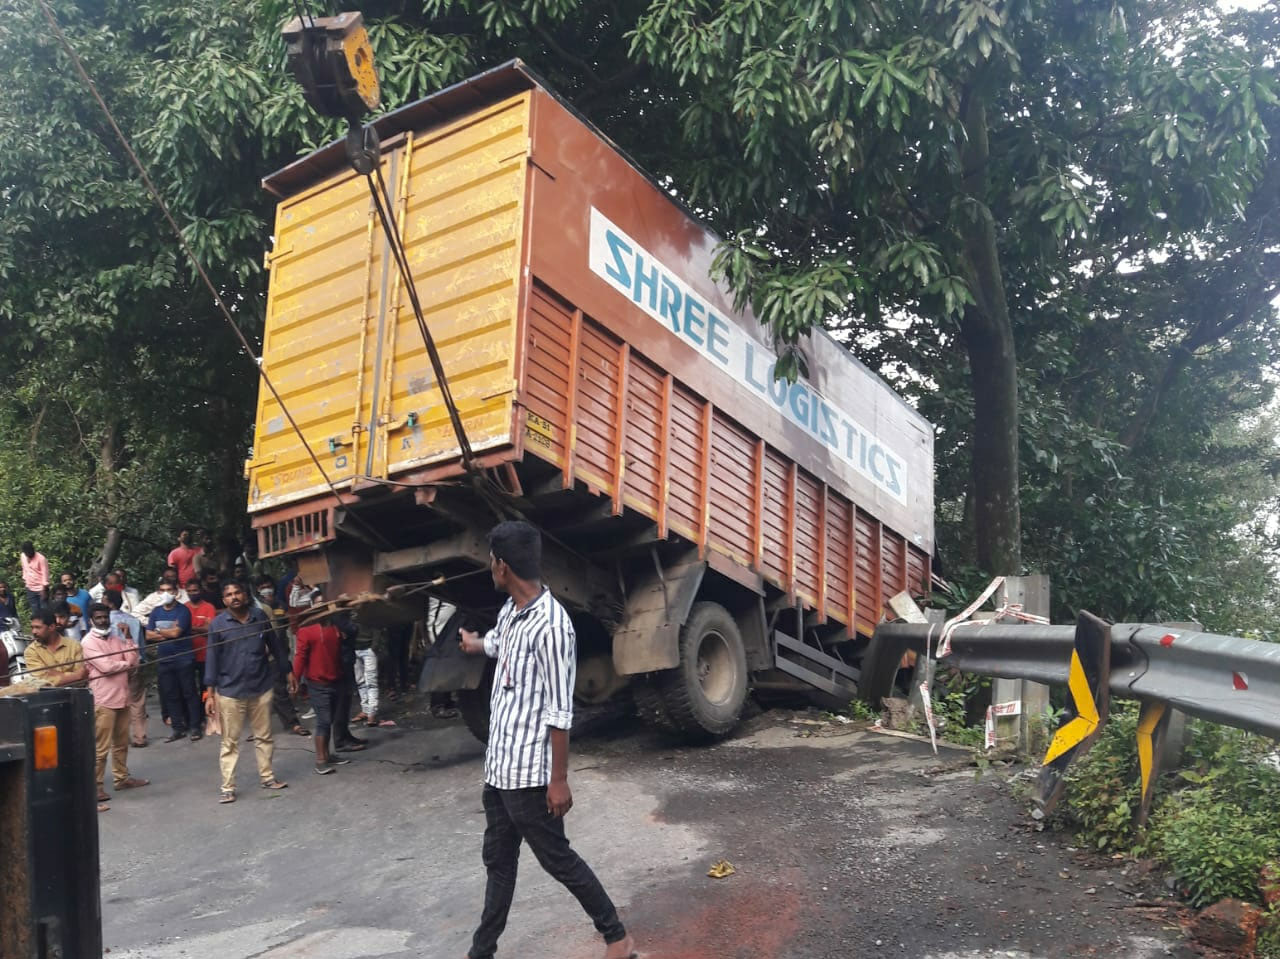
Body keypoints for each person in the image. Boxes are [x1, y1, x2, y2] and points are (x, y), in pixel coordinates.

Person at [458, 521, 635, 959]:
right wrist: (476, 645)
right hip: (500, 770)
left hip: (530, 776)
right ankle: (482, 952)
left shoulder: (553, 627)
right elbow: (501, 643)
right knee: (498, 862)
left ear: (502, 566)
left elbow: (560, 710)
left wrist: (559, 779)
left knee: (558, 859)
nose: (490, 569)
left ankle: (617, 937)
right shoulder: (513, 613)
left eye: (491, 562)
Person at [204, 581, 295, 803]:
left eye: (238, 592)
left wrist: (288, 672)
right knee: (230, 741)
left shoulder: (259, 617)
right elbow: (212, 659)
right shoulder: (218, 624)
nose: (234, 597)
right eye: (229, 594)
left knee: (264, 736)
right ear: (224, 600)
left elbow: (276, 646)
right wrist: (209, 693)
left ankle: (267, 777)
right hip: (229, 690)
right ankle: (228, 787)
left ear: (245, 595)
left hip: (261, 686)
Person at [82, 603, 148, 810]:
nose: (103, 620)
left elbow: (133, 660)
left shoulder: (116, 638)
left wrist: (128, 638)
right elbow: (106, 667)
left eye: (105, 617)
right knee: (101, 748)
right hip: (104, 700)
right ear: (91, 620)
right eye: (98, 617)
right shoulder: (88, 642)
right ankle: (96, 786)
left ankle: (122, 779)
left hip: (122, 697)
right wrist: (124, 664)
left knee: (121, 743)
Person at [292, 598, 350, 775]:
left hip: (336, 678)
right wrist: (294, 679)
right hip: (318, 682)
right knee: (323, 721)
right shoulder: (306, 631)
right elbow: (300, 656)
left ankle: (327, 754)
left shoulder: (336, 627)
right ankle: (320, 759)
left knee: (330, 718)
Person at [253, 576, 308, 738]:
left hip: (274, 652)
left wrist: (271, 649)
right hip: (254, 657)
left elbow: (278, 630)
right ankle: (259, 728)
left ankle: (293, 724)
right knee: (256, 695)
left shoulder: (275, 606)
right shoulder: (252, 609)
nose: (266, 589)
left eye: (268, 586)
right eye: (263, 587)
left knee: (279, 690)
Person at [146, 581, 201, 742]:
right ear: (158, 592)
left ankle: (195, 727)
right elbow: (148, 636)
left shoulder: (183, 610)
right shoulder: (156, 612)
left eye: (169, 590)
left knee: (189, 693)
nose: (166, 593)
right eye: (162, 590)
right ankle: (178, 728)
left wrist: (158, 631)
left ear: (176, 592)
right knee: (171, 694)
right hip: (165, 659)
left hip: (184, 658)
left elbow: (177, 633)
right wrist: (167, 633)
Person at [103, 588, 149, 748]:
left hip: (116, 666)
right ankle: (140, 736)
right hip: (135, 662)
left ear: (108, 602)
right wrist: (142, 660)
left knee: (117, 700)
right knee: (137, 700)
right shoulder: (133, 620)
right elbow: (141, 644)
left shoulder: (104, 622)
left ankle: (119, 737)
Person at [25, 608, 87, 687]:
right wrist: (76, 676)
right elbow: (42, 681)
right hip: (48, 697)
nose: (33, 632)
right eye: (32, 627)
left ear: (51, 627)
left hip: (74, 696)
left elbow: (82, 678)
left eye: (38, 627)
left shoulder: (74, 645)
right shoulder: (31, 651)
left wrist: (52, 674)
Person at [352, 626, 379, 726]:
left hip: (368, 649)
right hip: (355, 649)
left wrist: (374, 647)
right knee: (360, 681)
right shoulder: (350, 613)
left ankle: (371, 713)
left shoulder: (369, 612)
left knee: (371, 682)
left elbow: (377, 628)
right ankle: (366, 710)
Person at [19, 541, 49, 614]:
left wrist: (44, 590)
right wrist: (25, 580)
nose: (28, 555)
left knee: (44, 610)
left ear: (33, 549)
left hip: (41, 589)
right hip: (30, 588)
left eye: (29, 552)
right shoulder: (23, 556)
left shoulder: (41, 558)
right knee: (35, 610)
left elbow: (45, 575)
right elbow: (24, 568)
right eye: (26, 553)